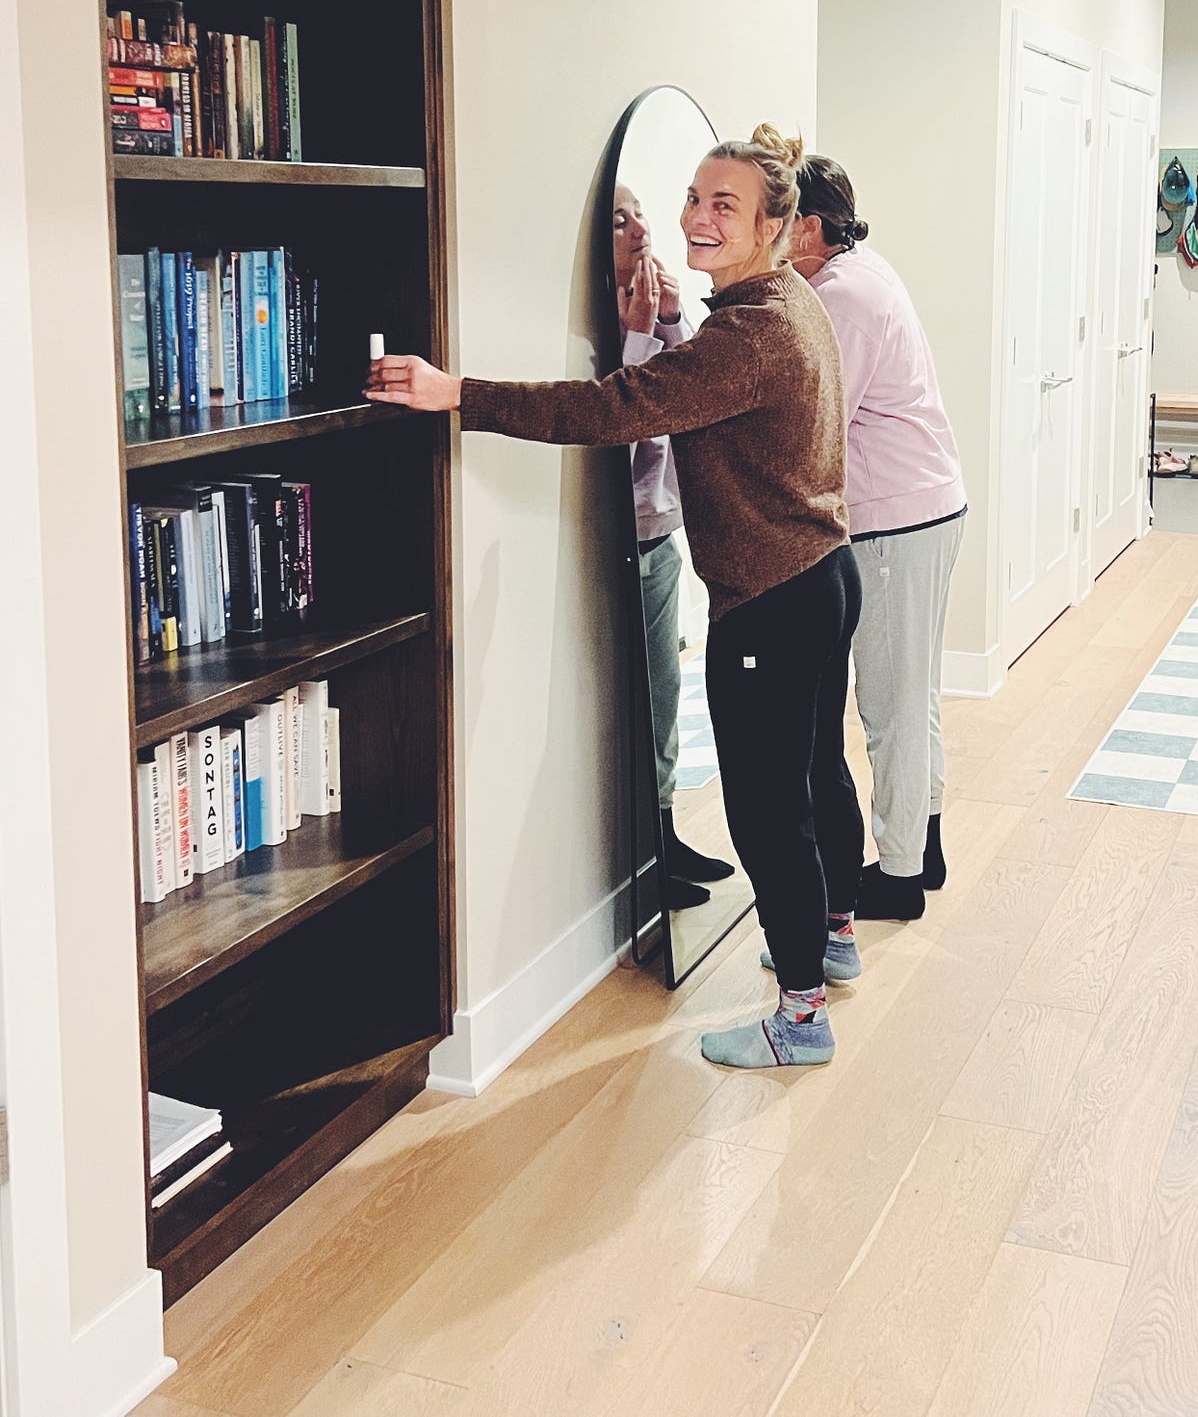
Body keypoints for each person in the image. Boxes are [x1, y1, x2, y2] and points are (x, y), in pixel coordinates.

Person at [367, 126, 865, 1071]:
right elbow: (697, 393)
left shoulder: (751, 333)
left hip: (771, 596)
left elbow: (610, 409)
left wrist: (456, 392)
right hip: (821, 575)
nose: (698, 216)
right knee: (812, 774)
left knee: (767, 809)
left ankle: (801, 1014)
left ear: (773, 224)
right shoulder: (787, 301)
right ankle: (830, 936)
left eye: (725, 205)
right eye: (693, 196)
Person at [790, 154, 965, 922]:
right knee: (915, 691)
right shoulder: (861, 272)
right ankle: (920, 845)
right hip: (926, 506)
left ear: (811, 226)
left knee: (889, 704)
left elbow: (820, 418)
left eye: (777, 216)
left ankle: (896, 874)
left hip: (896, 519)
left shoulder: (840, 298)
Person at [611, 183, 734, 911]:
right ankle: (647, 848)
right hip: (627, 545)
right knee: (646, 700)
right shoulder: (598, 323)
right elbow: (620, 426)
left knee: (668, 694)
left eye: (641, 213)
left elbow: (695, 396)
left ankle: (665, 834)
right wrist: (635, 333)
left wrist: (668, 318)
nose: (642, 228)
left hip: (663, 537)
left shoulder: (647, 313)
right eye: (620, 218)